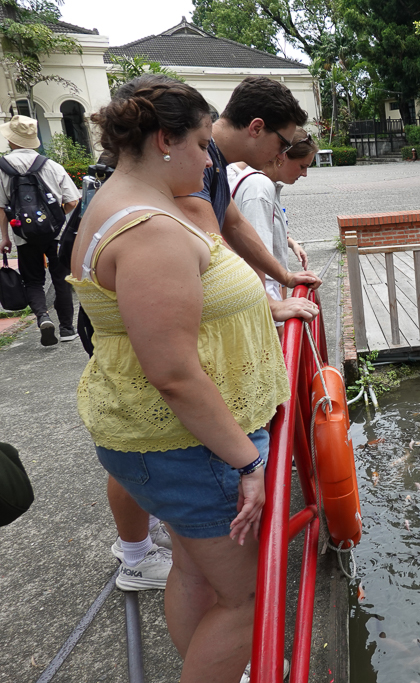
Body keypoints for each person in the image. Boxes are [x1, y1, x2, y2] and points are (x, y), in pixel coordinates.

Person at [69, 76, 291, 682]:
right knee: (248, 602)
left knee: (195, 571)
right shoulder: (149, 230)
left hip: (166, 439)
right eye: (200, 143)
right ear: (165, 140)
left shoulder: (127, 203)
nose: (209, 159)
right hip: (191, 446)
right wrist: (247, 462)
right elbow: (172, 373)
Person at [175, 75, 321, 322]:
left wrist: (285, 276)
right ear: (256, 128)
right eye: (283, 145)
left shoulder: (217, 161)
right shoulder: (198, 163)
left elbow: (236, 225)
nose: (281, 155)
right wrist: (270, 304)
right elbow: (217, 249)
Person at [0, 115, 80, 346]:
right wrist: (55, 219)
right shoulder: (51, 165)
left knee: (33, 280)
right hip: (55, 234)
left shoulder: (2, 168)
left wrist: (5, 238)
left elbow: (2, 207)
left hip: (23, 235)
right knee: (61, 279)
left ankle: (43, 317)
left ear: (11, 140)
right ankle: (67, 329)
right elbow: (72, 201)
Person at [227, 129, 316, 334]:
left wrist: (290, 243)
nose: (304, 174)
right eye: (302, 166)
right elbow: (256, 254)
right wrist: (273, 310)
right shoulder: (259, 188)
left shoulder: (261, 184)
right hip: (262, 299)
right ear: (282, 157)